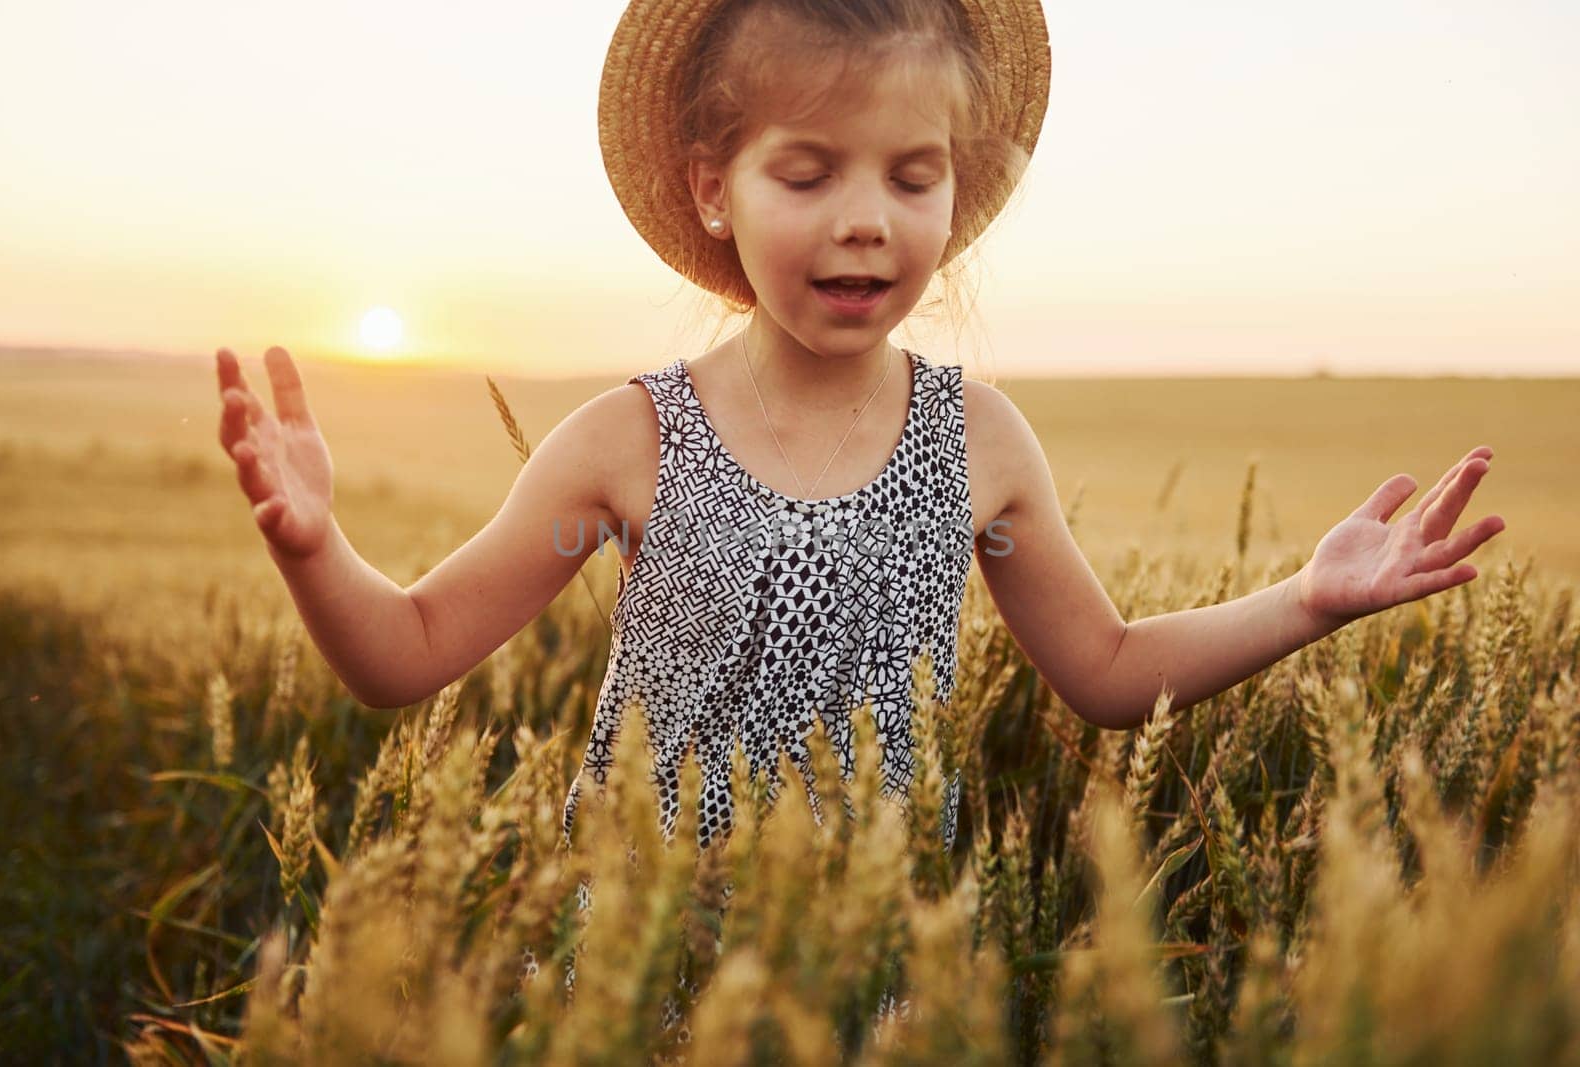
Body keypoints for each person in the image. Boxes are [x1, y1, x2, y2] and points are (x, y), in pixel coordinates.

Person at [215, 0, 1505, 1030]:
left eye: (912, 176)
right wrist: (315, 546)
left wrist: (1307, 599)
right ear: (714, 188)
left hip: (866, 985)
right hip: (633, 978)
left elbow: (1109, 674)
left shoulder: (980, 445)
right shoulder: (631, 443)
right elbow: (404, 654)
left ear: (960, 193)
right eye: (810, 172)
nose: (866, 222)